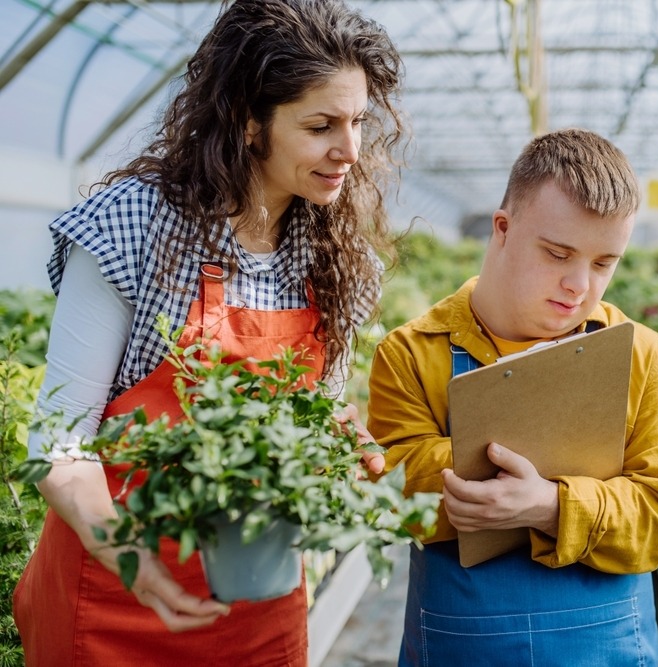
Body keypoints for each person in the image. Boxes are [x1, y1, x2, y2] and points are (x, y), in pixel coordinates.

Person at [13, 1, 406, 664]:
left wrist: (340, 437)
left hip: (260, 605)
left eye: (359, 121)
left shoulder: (336, 254)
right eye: (321, 125)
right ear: (250, 122)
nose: (351, 150)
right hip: (116, 599)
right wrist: (136, 561)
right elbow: (60, 441)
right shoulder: (133, 225)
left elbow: (318, 406)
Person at [367, 128, 658, 665]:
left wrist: (550, 505)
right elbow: (393, 492)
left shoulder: (646, 360)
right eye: (557, 253)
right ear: (503, 227)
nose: (578, 285)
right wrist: (554, 483)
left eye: (602, 263)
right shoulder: (410, 355)